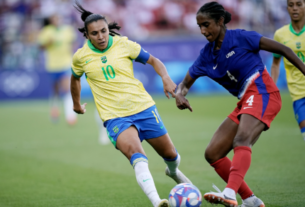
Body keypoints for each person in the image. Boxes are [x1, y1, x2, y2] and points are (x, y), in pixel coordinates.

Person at [175, 2, 305, 207]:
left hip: (263, 92)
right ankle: (250, 200)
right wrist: (179, 94)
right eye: (199, 26)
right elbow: (183, 84)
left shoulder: (242, 37)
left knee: (242, 139)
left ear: (220, 21)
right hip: (246, 100)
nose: (202, 30)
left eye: (206, 24)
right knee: (213, 153)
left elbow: (284, 49)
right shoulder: (206, 56)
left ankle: (229, 193)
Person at [70, 2, 191, 207]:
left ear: (109, 29)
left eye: (103, 31)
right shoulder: (81, 57)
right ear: (87, 35)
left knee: (170, 155)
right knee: (137, 155)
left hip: (143, 107)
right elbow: (74, 79)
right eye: (94, 33)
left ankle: (172, 172)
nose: (100, 36)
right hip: (115, 117)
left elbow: (153, 60)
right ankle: (156, 201)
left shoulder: (124, 44)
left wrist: (166, 78)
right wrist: (76, 104)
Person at [271, 0, 305, 141]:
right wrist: (271, 88)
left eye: (299, 4)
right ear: (287, 8)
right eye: (291, 5)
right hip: (298, 96)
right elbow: (275, 64)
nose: (295, 8)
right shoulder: (280, 35)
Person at [38, 14, 77, 125]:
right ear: (51, 21)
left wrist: (72, 49)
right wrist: (48, 43)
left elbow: (73, 42)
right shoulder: (46, 31)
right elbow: (40, 46)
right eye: (54, 19)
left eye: (58, 18)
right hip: (52, 65)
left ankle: (70, 116)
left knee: (66, 88)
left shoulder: (68, 30)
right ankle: (54, 109)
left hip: (65, 64)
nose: (57, 21)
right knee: (55, 89)